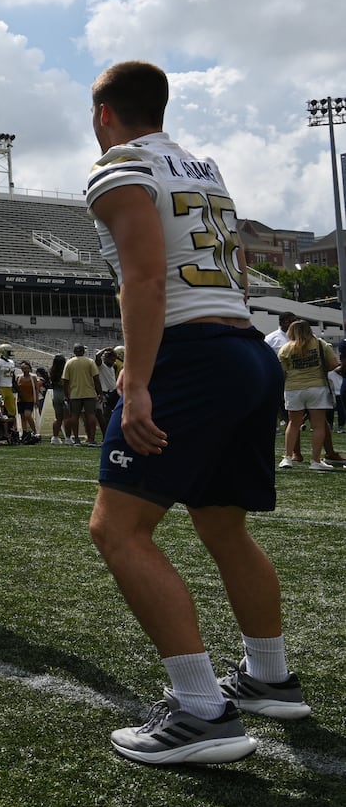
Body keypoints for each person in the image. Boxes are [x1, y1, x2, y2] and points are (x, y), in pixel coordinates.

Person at [84, 60, 309, 765]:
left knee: (117, 530)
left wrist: (137, 381)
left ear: (102, 116)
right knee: (221, 526)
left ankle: (199, 708)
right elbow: (234, 270)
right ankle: (268, 677)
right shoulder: (202, 168)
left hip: (188, 353)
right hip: (243, 347)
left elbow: (144, 276)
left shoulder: (117, 168)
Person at [276, 321, 339, 472]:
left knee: (293, 423)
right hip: (317, 387)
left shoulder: (286, 348)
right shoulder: (320, 344)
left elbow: (282, 373)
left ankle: (287, 457)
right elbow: (333, 364)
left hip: (293, 388)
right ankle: (315, 460)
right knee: (318, 425)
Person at [62, 344, 101, 445]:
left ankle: (76, 439)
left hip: (75, 393)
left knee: (74, 416)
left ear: (74, 352)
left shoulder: (69, 363)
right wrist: (100, 392)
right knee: (91, 415)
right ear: (83, 351)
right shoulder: (90, 362)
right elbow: (96, 378)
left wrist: (66, 394)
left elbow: (65, 380)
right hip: (89, 392)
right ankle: (91, 439)